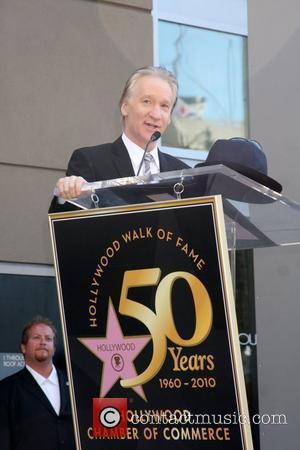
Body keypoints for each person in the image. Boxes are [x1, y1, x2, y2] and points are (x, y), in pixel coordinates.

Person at [49, 66, 189, 212]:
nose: (156, 114)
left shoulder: (183, 173)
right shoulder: (91, 161)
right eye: (147, 101)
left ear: (169, 118)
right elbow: (67, 225)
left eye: (164, 106)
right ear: (125, 107)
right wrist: (68, 195)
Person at [0, 316, 75, 450]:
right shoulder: (6, 389)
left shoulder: (75, 385)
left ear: (54, 347)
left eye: (48, 338)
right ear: (23, 347)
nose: (43, 342)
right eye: (36, 337)